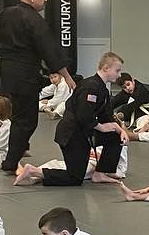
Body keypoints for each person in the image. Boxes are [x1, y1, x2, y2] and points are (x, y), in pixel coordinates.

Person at [0, 0, 72, 175]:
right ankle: (11, 161)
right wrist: (67, 76)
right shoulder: (34, 20)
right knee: (26, 120)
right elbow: (49, 49)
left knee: (17, 115)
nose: (45, 0)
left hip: (8, 72)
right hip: (25, 74)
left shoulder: (6, 14)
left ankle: (17, 149)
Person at [13, 52, 125, 187]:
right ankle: (34, 171)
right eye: (117, 70)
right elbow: (84, 114)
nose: (119, 75)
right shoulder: (90, 86)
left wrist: (119, 129)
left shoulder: (102, 90)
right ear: (106, 68)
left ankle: (101, 172)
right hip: (72, 135)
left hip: (84, 132)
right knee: (75, 178)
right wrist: (101, 127)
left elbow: (106, 116)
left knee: (115, 136)